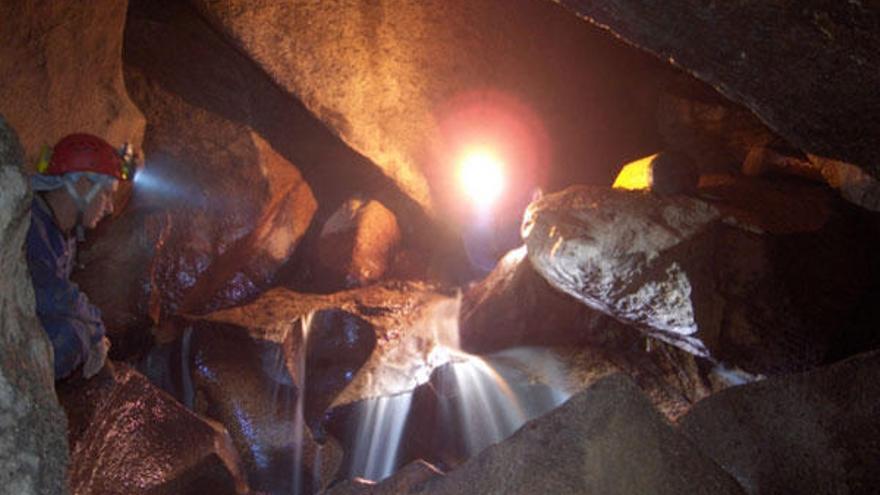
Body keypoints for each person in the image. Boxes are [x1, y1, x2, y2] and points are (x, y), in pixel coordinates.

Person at [26, 133, 135, 380]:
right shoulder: (29, 220)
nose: (110, 207)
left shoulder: (64, 236)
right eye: (107, 193)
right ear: (82, 185)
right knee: (71, 335)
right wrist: (95, 331)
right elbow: (46, 291)